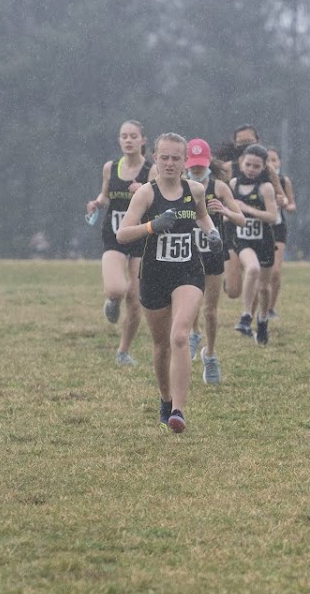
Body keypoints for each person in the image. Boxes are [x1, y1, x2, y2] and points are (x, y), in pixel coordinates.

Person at [114, 132, 219, 433]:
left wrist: (212, 234)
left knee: (180, 336)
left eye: (176, 158)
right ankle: (165, 398)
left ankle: (178, 411)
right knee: (161, 346)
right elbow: (122, 234)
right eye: (164, 157)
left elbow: (203, 217)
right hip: (154, 275)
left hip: (188, 272)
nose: (170, 163)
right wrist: (152, 226)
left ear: (185, 161)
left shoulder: (195, 190)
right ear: (155, 159)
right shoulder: (146, 194)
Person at [84, 119, 151, 366]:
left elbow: (160, 199)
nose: (129, 140)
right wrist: (96, 203)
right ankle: (112, 301)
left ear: (143, 141)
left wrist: (144, 189)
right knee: (116, 289)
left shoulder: (151, 170)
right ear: (119, 140)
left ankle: (123, 351)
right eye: (124, 136)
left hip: (141, 238)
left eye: (133, 136)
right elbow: (105, 195)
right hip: (114, 236)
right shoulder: (110, 167)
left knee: (135, 298)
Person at [184, 139, 246, 385]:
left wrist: (225, 211)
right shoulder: (180, 185)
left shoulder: (219, 187)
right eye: (193, 165)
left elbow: (241, 219)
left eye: (201, 164)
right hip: (187, 254)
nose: (197, 169)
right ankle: (193, 333)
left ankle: (209, 354)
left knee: (210, 310)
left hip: (213, 253)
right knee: (190, 305)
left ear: (209, 162)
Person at [229, 144, 279, 346]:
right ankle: (246, 316)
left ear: (264, 167)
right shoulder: (233, 184)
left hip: (264, 241)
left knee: (264, 288)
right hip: (243, 240)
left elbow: (272, 217)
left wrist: (248, 209)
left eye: (256, 166)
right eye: (248, 164)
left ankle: (263, 320)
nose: (251, 169)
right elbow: (229, 210)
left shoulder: (265, 188)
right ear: (241, 162)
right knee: (252, 269)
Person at [264, 146, 296, 325]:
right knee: (258, 271)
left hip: (277, 227)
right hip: (258, 228)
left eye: (274, 160)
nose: (270, 163)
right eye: (267, 160)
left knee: (275, 271)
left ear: (279, 162)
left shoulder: (284, 181)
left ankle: (270, 308)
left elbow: (291, 206)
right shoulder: (255, 180)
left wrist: (283, 203)